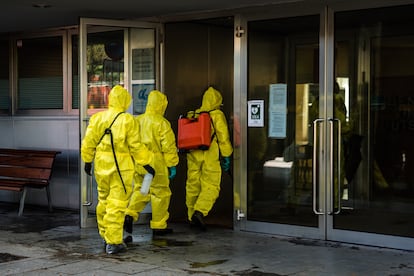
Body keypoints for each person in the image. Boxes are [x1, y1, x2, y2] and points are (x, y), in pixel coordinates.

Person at [81, 85, 154, 255]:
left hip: (101, 166)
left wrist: (87, 161)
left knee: (104, 201)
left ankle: (106, 235)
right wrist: (147, 162)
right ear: (125, 100)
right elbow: (136, 147)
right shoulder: (128, 120)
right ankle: (113, 242)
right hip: (120, 167)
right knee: (117, 203)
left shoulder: (97, 118)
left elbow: (88, 142)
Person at [123, 90, 179, 241]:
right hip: (156, 162)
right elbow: (168, 146)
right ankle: (159, 226)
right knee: (160, 194)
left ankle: (129, 214)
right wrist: (172, 164)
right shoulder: (162, 123)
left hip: (140, 162)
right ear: (161, 105)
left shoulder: (138, 120)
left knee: (142, 190)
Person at [185, 86, 233, 231]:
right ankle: (199, 212)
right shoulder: (217, 115)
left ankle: (191, 215)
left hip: (193, 153)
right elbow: (223, 138)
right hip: (209, 154)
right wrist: (226, 156)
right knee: (211, 185)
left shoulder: (193, 114)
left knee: (193, 185)